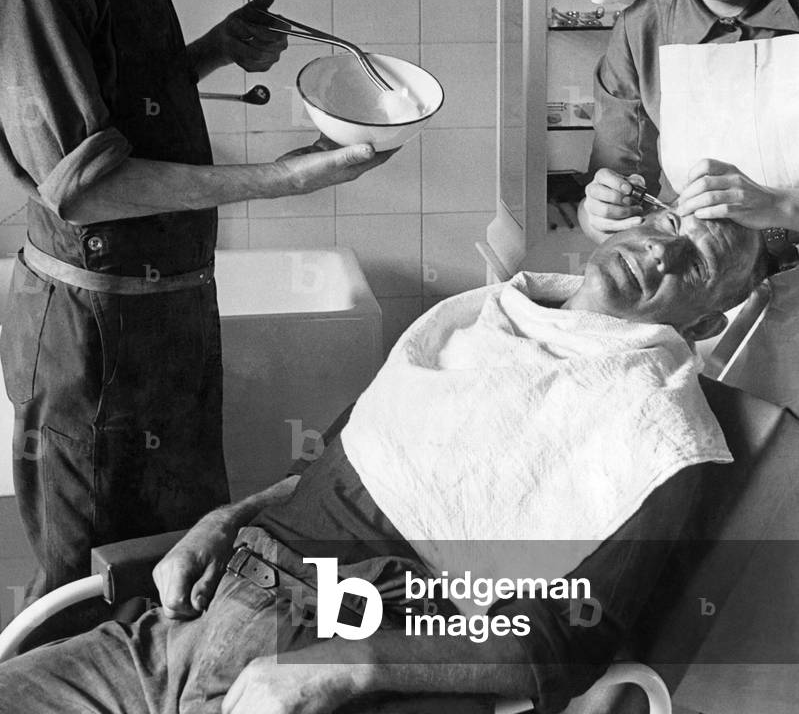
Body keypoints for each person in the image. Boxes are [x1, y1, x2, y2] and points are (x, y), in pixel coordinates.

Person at [0, 213, 769, 714]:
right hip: (181, 626)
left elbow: (564, 641)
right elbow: (340, 456)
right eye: (666, 220)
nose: (659, 248)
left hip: (331, 656)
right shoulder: (480, 316)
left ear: (701, 321)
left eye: (693, 265)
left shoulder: (659, 434)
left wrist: (348, 666)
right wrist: (220, 518)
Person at [0, 0, 390, 607]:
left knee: (178, 567)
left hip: (164, 313)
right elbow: (84, 189)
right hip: (98, 340)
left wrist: (213, 49)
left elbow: (110, 106)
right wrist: (286, 177)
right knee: (92, 589)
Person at [580, 0, 799, 409]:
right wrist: (600, 209)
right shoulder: (643, 31)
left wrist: (782, 204)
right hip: (711, 323)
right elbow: (617, 188)